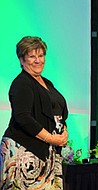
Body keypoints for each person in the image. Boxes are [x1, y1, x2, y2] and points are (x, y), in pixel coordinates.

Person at [0, 36, 69, 189]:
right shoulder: (21, 83)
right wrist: (50, 138)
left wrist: (64, 131)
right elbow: (23, 117)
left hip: (48, 153)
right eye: (32, 56)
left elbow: (59, 112)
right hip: (25, 152)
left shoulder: (47, 82)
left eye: (41, 55)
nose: (38, 60)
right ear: (21, 60)